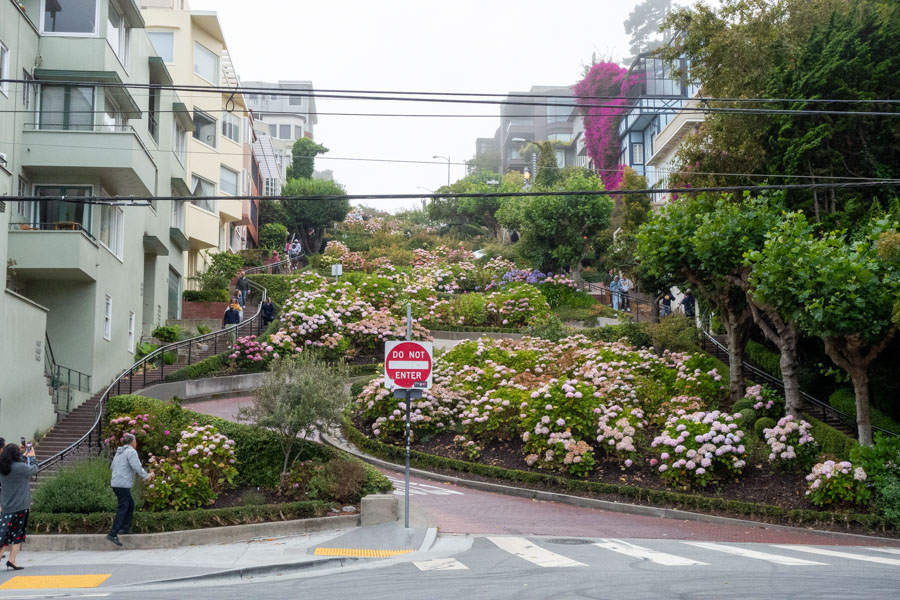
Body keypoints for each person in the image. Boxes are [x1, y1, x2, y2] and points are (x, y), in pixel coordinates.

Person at [106, 433, 150, 547]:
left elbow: (112, 467)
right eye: (136, 441)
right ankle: (113, 534)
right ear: (133, 442)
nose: (136, 443)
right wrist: (146, 476)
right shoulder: (131, 451)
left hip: (116, 483)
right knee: (123, 507)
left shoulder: (119, 452)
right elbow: (136, 466)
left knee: (130, 504)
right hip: (123, 484)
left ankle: (125, 528)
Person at [0, 443, 38, 569]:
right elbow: (34, 469)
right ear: (16, 454)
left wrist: (22, 455)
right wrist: (32, 457)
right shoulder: (21, 468)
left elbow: (16, 463)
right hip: (21, 506)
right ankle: (12, 560)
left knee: (4, 534)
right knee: (17, 533)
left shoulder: (3, 468)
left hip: (6, 506)